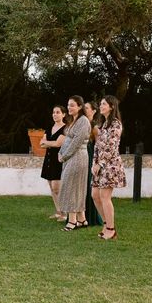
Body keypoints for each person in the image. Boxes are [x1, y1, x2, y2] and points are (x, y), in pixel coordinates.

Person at [91, 96, 126, 240]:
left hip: (110, 165)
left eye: (104, 104)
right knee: (95, 195)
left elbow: (111, 146)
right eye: (101, 104)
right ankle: (106, 224)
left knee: (105, 197)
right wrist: (94, 163)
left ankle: (111, 230)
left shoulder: (116, 124)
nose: (101, 106)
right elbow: (98, 146)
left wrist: (101, 164)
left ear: (112, 106)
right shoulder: (102, 124)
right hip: (99, 164)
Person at [58, 95, 91, 231]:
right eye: (68, 104)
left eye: (72, 105)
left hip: (78, 157)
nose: (69, 107)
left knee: (71, 186)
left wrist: (64, 156)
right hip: (70, 158)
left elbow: (76, 143)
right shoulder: (74, 120)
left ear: (79, 106)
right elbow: (67, 140)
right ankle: (82, 219)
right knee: (75, 187)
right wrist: (61, 152)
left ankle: (72, 221)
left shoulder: (83, 121)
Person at [40, 105, 67, 221]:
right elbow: (41, 144)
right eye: (53, 112)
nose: (55, 114)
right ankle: (58, 212)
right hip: (49, 159)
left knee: (57, 187)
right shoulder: (49, 128)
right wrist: (50, 142)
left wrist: (48, 142)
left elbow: (58, 144)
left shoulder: (65, 129)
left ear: (63, 115)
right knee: (51, 187)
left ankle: (65, 213)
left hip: (58, 160)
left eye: (58, 112)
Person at [84, 101, 103, 227]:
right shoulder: (80, 124)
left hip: (91, 159)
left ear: (94, 111)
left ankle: (91, 218)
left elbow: (100, 147)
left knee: (89, 188)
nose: (84, 110)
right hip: (81, 159)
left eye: (86, 108)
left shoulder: (95, 128)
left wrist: (97, 163)